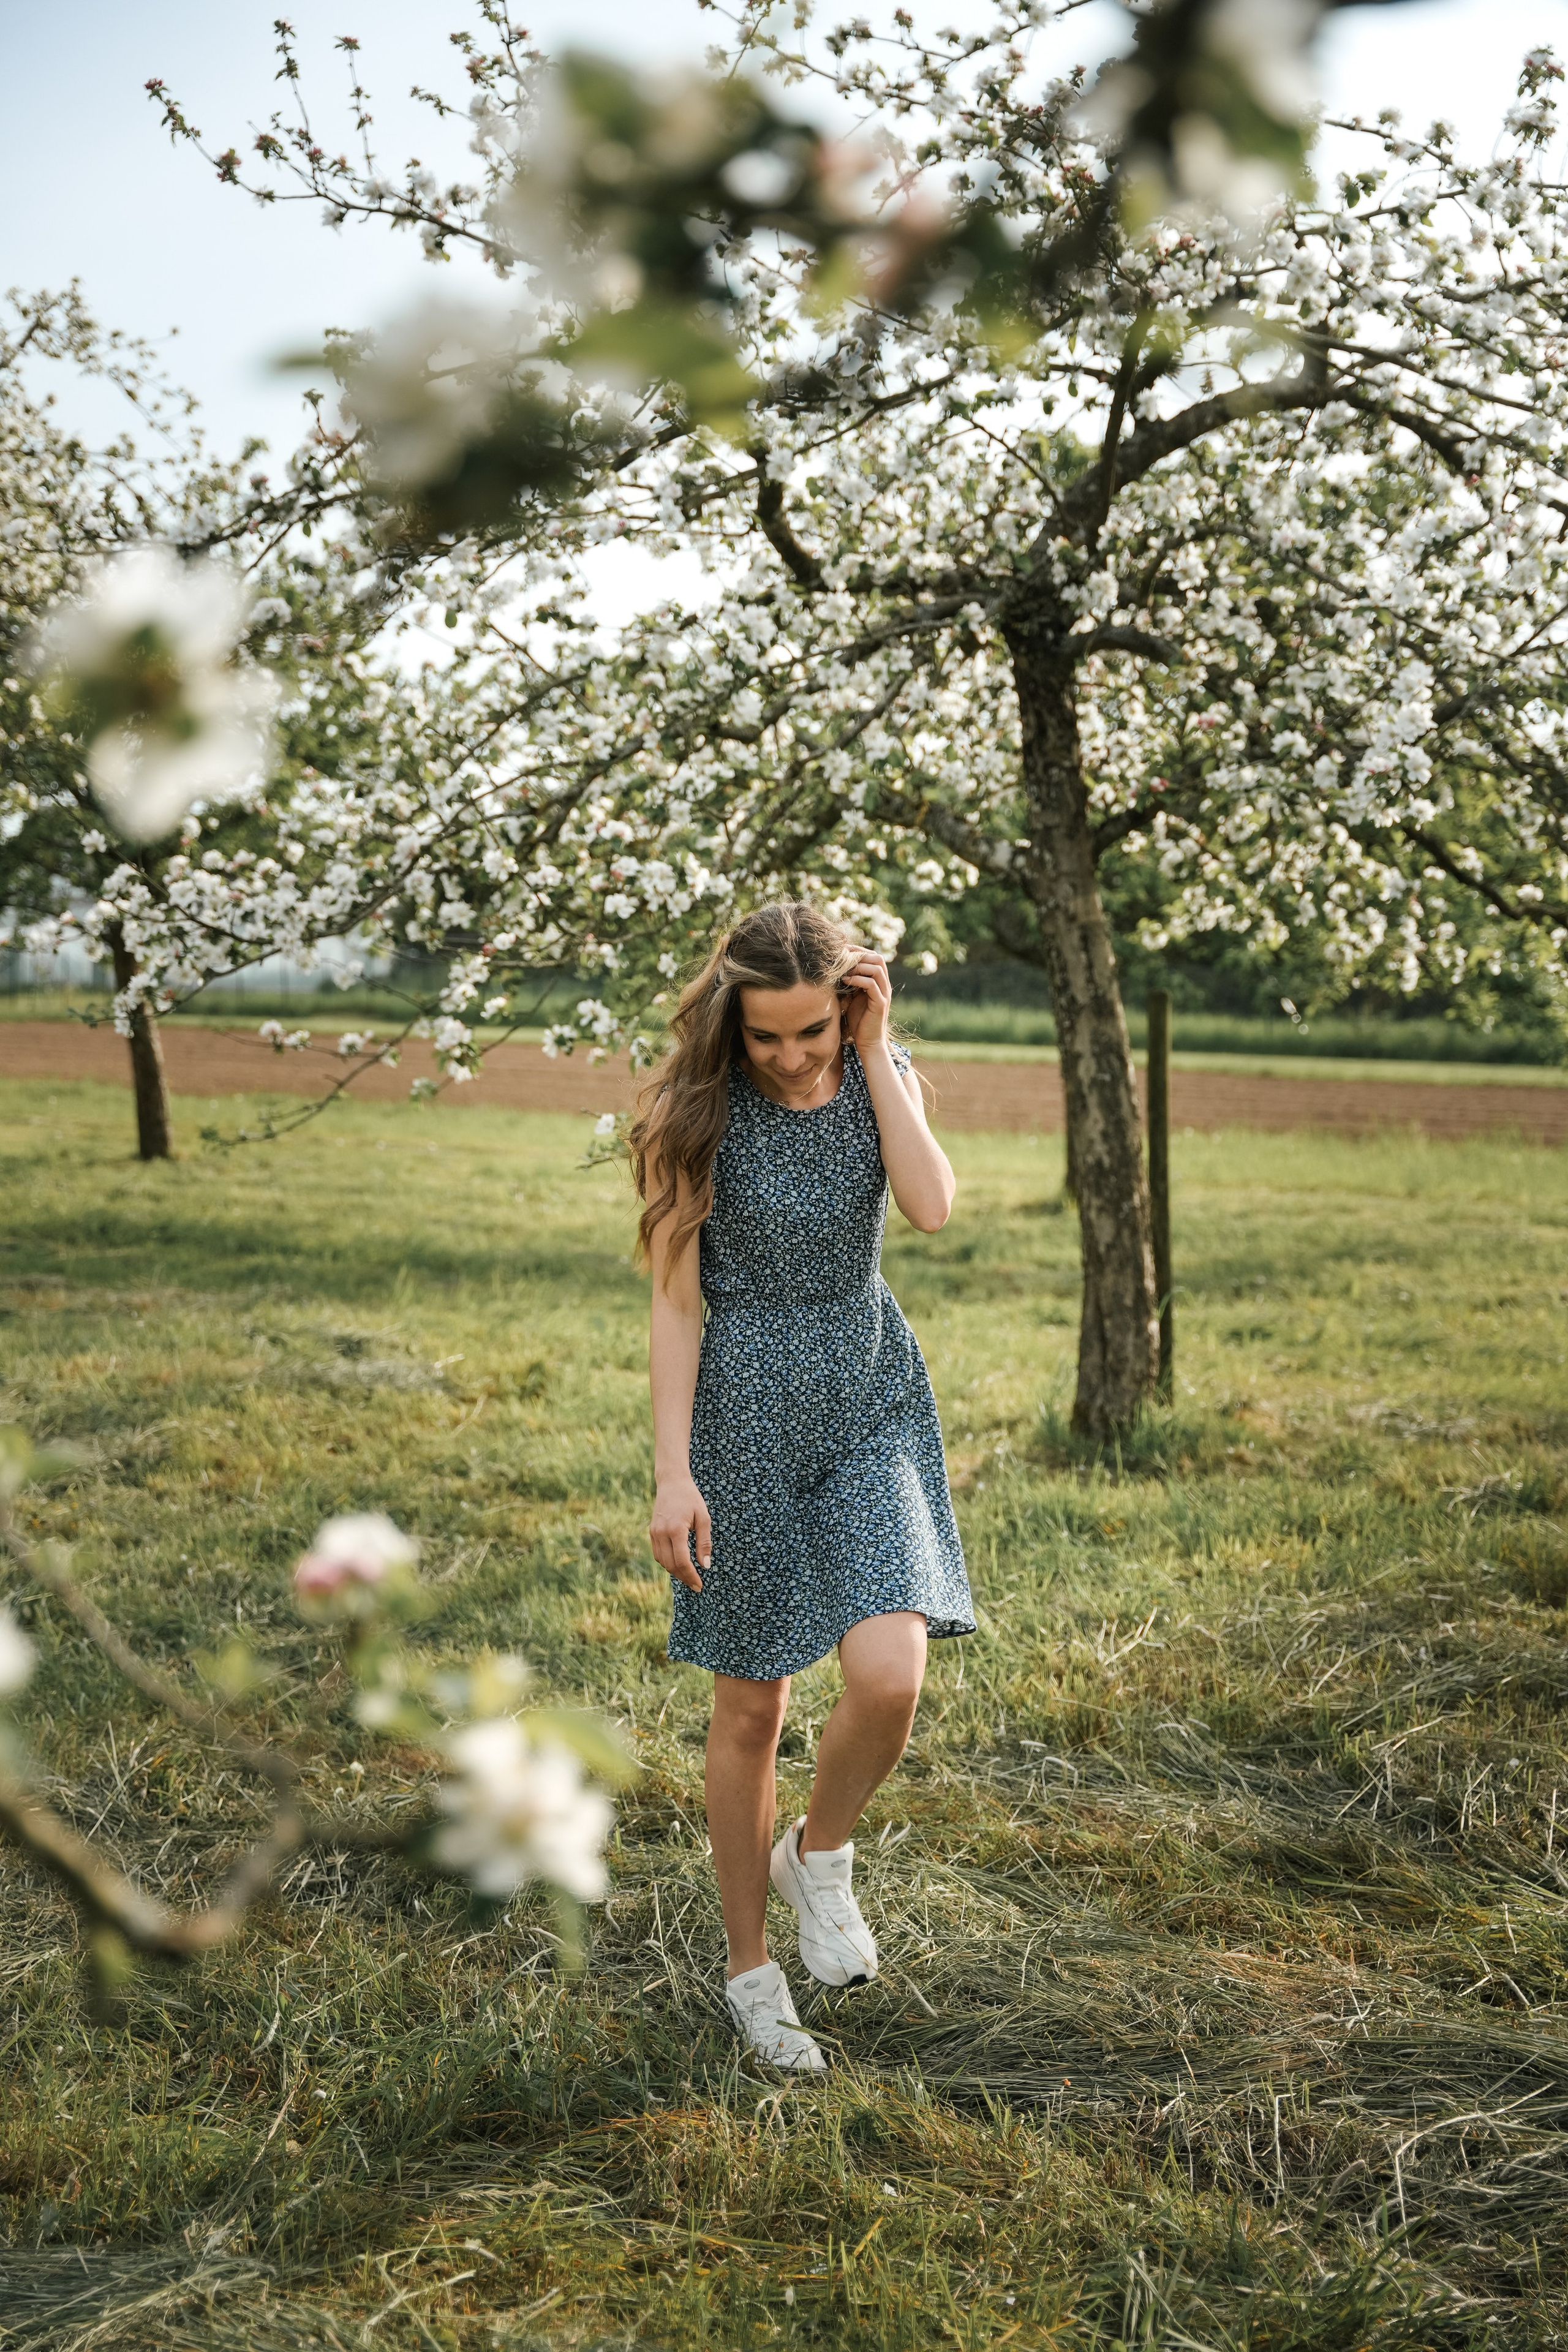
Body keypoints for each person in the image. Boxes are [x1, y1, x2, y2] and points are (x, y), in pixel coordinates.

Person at [630, 902, 974, 2071]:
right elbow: (677, 1305)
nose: (789, 1056)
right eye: (767, 1036)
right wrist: (674, 1473)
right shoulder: (695, 1113)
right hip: (741, 1414)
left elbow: (928, 1208)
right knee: (753, 1708)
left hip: (869, 1392)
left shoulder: (881, 1070)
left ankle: (818, 1855)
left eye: (812, 1033)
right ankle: (751, 1973)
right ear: (733, 1019)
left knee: (889, 1673)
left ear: (850, 1005)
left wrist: (875, 1055)